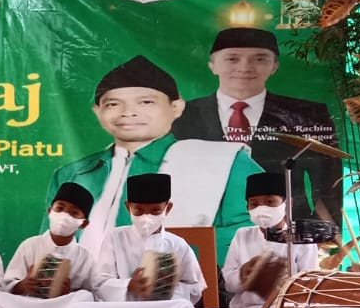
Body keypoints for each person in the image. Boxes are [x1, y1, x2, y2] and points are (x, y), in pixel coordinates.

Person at [43, 54, 261, 261]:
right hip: (83, 283)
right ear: (97, 110)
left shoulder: (224, 162)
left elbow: (251, 233)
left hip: (179, 282)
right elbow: (51, 241)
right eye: (113, 104)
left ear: (176, 107)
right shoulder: (73, 173)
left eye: (146, 102)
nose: (129, 112)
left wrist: (165, 261)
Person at [171, 27, 342, 223]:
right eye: (232, 59)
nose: (245, 68)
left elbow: (329, 184)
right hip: (206, 227)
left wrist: (324, 232)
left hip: (287, 227)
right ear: (212, 65)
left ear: (275, 66)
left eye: (260, 59)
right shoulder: (181, 115)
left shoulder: (306, 114)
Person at [65, 172, 202, 308]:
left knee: (182, 306)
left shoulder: (177, 244)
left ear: (168, 208)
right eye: (138, 210)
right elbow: (99, 283)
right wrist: (129, 285)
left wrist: (167, 286)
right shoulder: (115, 237)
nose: (146, 217)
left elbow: (195, 288)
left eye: (155, 211)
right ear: (128, 206)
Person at [188, 172, 320, 308]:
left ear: (288, 204)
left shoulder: (302, 238)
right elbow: (229, 285)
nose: (261, 209)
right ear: (247, 208)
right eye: (254, 204)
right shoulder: (242, 235)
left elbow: (307, 288)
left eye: (270, 202)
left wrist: (275, 282)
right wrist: (244, 275)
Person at [0, 182, 98, 308]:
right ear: (50, 211)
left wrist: (66, 293)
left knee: (85, 297)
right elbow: (7, 285)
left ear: (84, 223)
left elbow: (91, 296)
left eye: (74, 213)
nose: (64, 216)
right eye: (60, 208)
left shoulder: (86, 257)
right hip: (27, 306)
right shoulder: (30, 245)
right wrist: (23, 285)